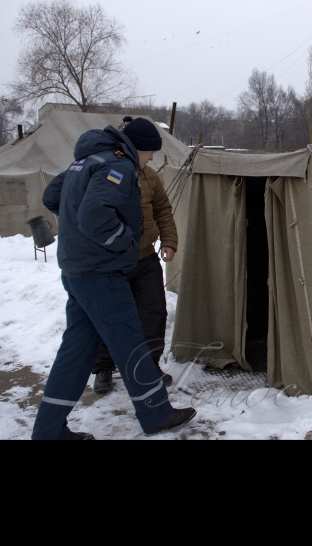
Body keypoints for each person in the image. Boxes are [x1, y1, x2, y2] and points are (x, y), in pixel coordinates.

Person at [31, 121, 196, 440]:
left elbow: (53, 195)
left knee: (77, 350)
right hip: (101, 271)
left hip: (77, 268)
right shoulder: (119, 165)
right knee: (130, 342)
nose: (149, 160)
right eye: (150, 153)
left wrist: (75, 221)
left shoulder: (88, 160)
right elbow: (94, 216)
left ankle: (49, 429)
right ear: (141, 147)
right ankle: (156, 412)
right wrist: (124, 241)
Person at [92, 118, 178, 395]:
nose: (152, 157)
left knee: (153, 312)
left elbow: (163, 210)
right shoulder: (106, 169)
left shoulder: (150, 176)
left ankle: (149, 365)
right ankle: (104, 367)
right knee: (111, 314)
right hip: (113, 261)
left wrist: (169, 241)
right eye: (150, 151)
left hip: (144, 259)